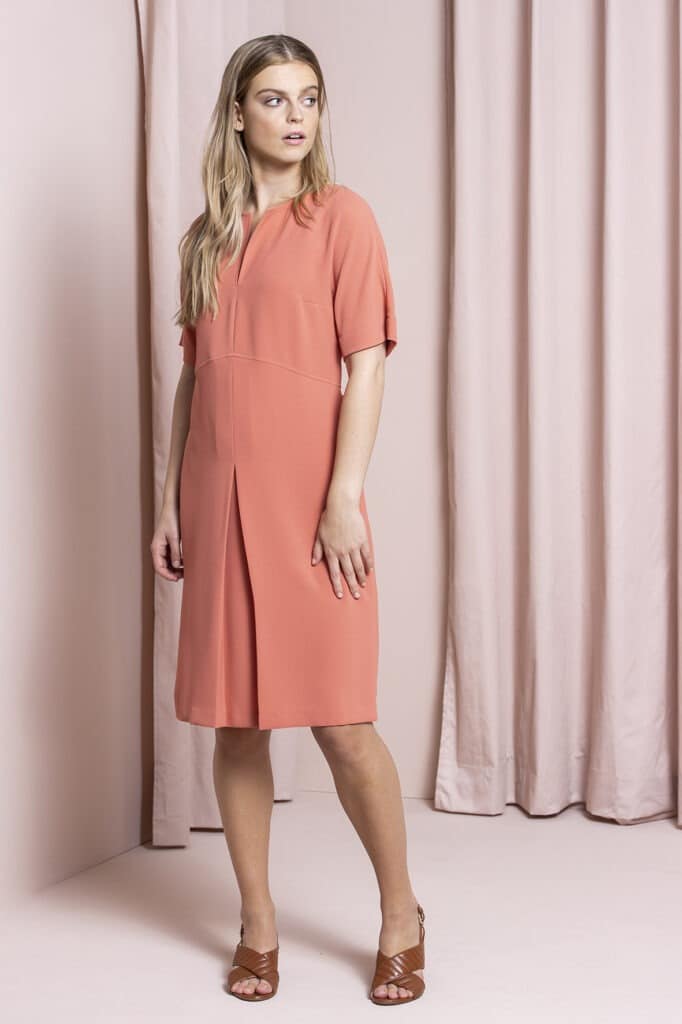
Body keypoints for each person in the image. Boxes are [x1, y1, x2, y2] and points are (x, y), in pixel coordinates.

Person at [150, 34, 426, 1005]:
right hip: (217, 501)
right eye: (274, 98)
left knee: (342, 724)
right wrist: (169, 501)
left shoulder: (341, 217)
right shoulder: (204, 238)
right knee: (235, 727)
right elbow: (193, 380)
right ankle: (257, 923)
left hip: (310, 503)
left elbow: (367, 364)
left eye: (308, 97)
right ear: (238, 114)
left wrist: (344, 496)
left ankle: (401, 912)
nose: (296, 115)